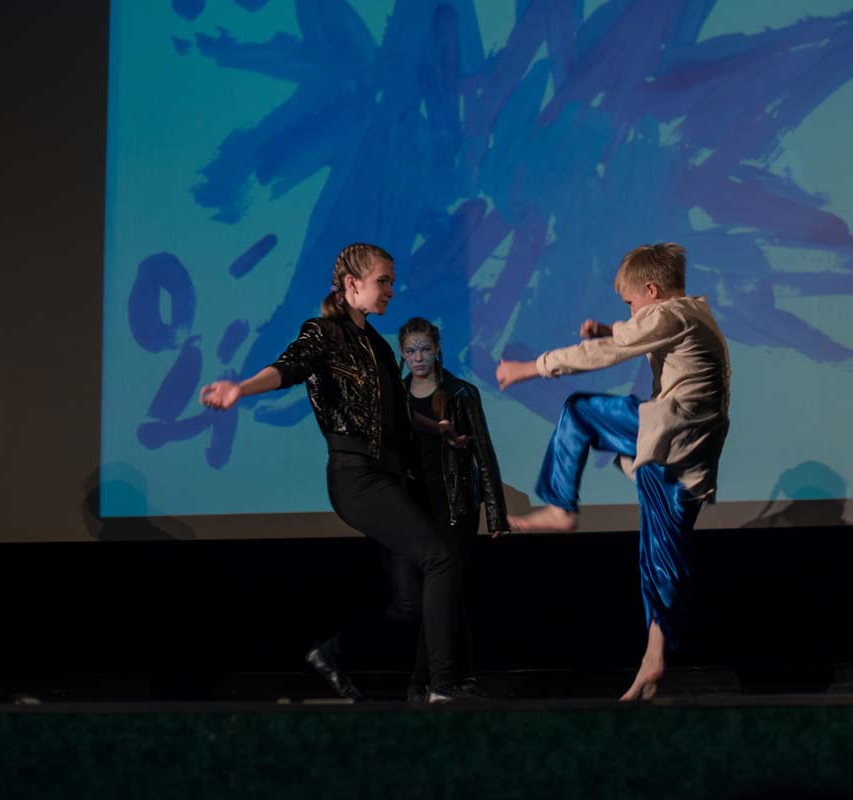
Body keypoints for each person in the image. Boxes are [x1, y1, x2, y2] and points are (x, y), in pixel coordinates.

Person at [200, 243, 471, 703]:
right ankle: (441, 689)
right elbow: (289, 368)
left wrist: (436, 428)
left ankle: (334, 653)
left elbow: (396, 410)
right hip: (357, 477)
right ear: (352, 284)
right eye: (383, 281)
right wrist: (241, 389)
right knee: (439, 558)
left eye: (391, 281)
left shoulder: (378, 345)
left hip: (390, 476)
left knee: (409, 602)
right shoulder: (325, 333)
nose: (391, 289)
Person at [495, 243, 730, 701]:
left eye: (631, 303)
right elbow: (642, 332)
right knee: (662, 554)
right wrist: (612, 328)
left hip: (672, 441)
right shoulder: (692, 312)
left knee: (579, 411)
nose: (631, 312)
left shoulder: (670, 315)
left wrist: (529, 368)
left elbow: (609, 352)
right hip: (687, 457)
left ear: (651, 290)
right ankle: (653, 659)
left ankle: (561, 508)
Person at [392, 317, 509, 701]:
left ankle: (420, 680)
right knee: (441, 595)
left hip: (456, 506)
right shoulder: (396, 397)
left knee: (441, 591)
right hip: (415, 509)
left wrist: (496, 514)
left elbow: (484, 454)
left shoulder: (461, 393)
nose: (418, 357)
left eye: (425, 349)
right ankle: (464, 676)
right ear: (402, 353)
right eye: (411, 351)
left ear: (438, 349)